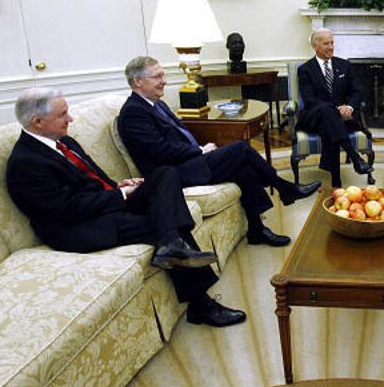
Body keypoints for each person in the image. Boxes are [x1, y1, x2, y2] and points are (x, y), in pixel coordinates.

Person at [6, 88, 246, 327]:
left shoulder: (64, 142)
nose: (70, 119)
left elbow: (92, 178)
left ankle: (171, 246)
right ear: (37, 121)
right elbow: (68, 208)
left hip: (103, 205)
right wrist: (119, 195)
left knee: (165, 175)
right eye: (62, 115)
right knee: (162, 223)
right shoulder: (25, 163)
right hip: (76, 227)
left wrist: (118, 185)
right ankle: (201, 304)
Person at [118, 56, 320, 247]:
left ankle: (256, 229)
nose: (164, 81)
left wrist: (200, 150)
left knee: (243, 168)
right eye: (157, 77)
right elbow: (159, 150)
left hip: (186, 163)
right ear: (138, 81)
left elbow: (177, 137)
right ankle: (284, 187)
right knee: (241, 148)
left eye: (163, 75)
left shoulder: (157, 104)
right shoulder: (133, 112)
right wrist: (199, 150)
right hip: (170, 175)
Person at [296, 28, 373, 188]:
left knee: (329, 125)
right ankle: (355, 158)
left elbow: (358, 92)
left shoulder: (344, 66)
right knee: (327, 112)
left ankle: (336, 182)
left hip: (340, 120)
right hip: (314, 117)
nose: (330, 47)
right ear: (315, 46)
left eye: (332, 43)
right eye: (326, 44)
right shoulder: (305, 70)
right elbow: (310, 101)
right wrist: (337, 109)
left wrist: (349, 107)